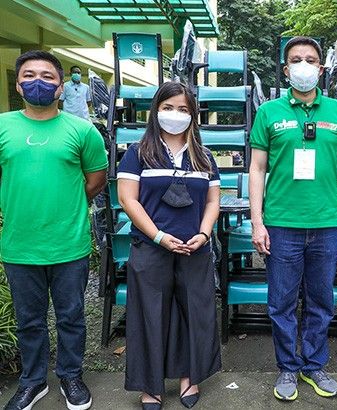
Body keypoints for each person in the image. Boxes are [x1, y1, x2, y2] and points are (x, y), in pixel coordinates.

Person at [249, 36, 337, 401]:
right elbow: (257, 168)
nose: (303, 65)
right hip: (281, 225)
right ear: (285, 69)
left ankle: (313, 365)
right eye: (296, 59)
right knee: (281, 302)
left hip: (327, 224)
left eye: (310, 59)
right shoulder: (269, 112)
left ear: (321, 68)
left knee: (321, 301)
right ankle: (287, 369)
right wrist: (257, 221)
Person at [0, 50, 107, 410]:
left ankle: (71, 376)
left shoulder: (82, 130)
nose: (38, 82)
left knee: (71, 318)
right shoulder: (3, 126)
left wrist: (66, 205)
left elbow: (95, 180)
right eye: (29, 75)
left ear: (61, 87)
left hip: (68, 244)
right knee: (30, 321)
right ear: (18, 84)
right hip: (20, 245)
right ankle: (32, 382)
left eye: (47, 76)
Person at [117, 81, 221, 410]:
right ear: (155, 110)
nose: (175, 115)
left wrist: (204, 234)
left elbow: (213, 201)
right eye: (168, 108)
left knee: (197, 311)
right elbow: (127, 200)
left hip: (195, 247)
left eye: (183, 109)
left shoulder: (203, 157)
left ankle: (191, 376)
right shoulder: (138, 153)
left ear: (193, 115)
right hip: (150, 248)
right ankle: (151, 385)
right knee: (149, 314)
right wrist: (159, 236)